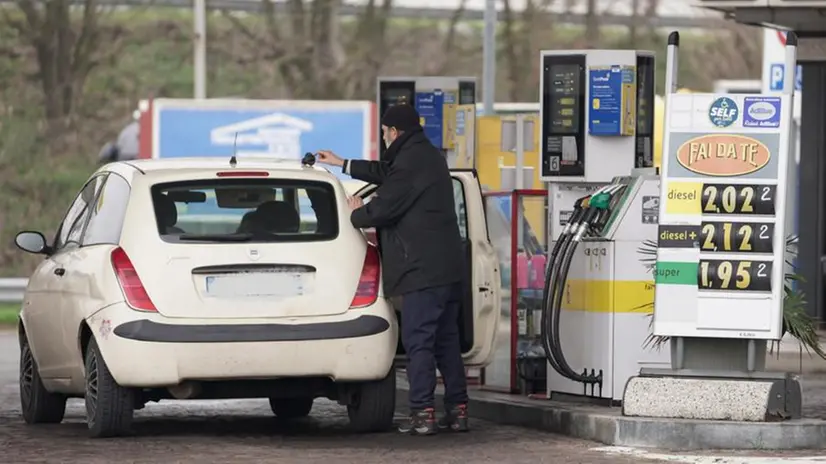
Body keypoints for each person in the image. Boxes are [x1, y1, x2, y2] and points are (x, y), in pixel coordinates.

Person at [315, 104, 469, 436]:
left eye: (384, 133)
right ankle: (458, 411)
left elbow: (382, 209)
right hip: (447, 270)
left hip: (421, 272)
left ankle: (422, 414)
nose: (383, 138)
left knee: (419, 342)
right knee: (445, 342)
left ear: (393, 132)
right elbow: (387, 172)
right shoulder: (425, 157)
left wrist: (357, 212)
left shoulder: (410, 164)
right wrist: (342, 164)